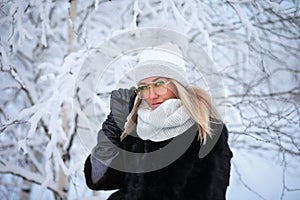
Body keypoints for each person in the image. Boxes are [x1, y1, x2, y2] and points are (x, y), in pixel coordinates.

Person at [84, 43, 233, 200]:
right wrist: (113, 126)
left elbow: (211, 193)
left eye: (159, 84)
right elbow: (98, 178)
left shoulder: (206, 129)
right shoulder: (137, 129)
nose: (151, 94)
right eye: (144, 87)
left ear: (178, 85)